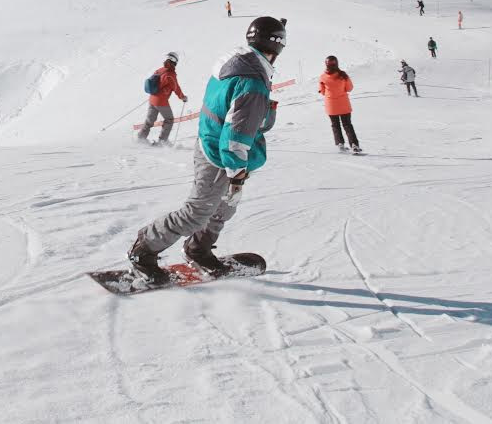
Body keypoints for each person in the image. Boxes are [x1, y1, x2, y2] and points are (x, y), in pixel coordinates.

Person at [127, 16, 285, 282]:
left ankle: (198, 248)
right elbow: (235, 138)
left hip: (215, 147)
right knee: (197, 211)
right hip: (220, 157)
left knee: (224, 207)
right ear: (277, 46)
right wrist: (237, 174)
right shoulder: (252, 81)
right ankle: (143, 250)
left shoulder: (238, 64)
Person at [137, 52, 187, 145]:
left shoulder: (160, 70)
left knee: (149, 121)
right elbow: (175, 87)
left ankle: (141, 138)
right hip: (161, 101)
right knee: (169, 119)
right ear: (174, 61)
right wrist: (182, 97)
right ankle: (162, 141)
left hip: (152, 99)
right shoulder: (170, 74)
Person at [319, 56, 360, 152]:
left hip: (331, 106)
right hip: (343, 104)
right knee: (347, 125)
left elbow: (322, 92)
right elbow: (349, 88)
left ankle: (340, 144)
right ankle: (354, 144)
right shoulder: (343, 75)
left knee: (335, 125)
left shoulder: (322, 77)